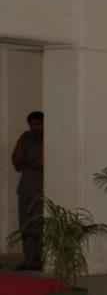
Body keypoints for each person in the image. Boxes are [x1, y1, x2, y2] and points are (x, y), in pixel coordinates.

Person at [11, 111, 44, 271]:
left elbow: (43, 162)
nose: (35, 127)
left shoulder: (49, 138)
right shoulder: (25, 137)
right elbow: (17, 160)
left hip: (42, 186)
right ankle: (29, 259)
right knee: (26, 225)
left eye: (38, 124)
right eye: (32, 124)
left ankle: (40, 259)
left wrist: (29, 161)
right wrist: (31, 161)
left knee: (39, 225)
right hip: (26, 187)